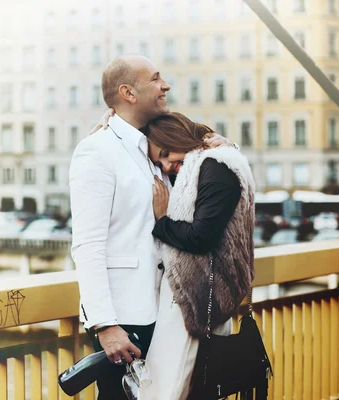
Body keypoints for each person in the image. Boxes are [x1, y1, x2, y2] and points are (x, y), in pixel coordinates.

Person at [69, 55, 229, 399]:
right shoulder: (96, 151)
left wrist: (219, 144)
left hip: (171, 313)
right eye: (156, 79)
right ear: (128, 92)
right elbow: (87, 244)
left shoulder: (157, 145)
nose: (166, 85)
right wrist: (105, 325)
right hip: (126, 318)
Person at [140, 112, 255, 399]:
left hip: (195, 295)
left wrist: (162, 220)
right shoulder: (210, 163)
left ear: (181, 137)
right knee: (189, 386)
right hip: (202, 294)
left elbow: (201, 237)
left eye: (167, 154)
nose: (167, 166)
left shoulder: (216, 166)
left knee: (168, 385)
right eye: (159, 162)